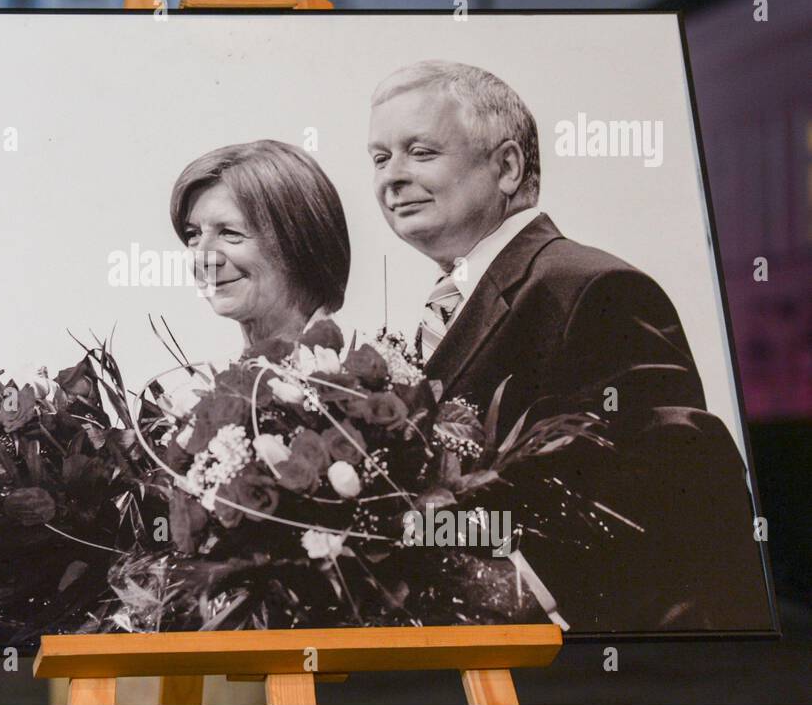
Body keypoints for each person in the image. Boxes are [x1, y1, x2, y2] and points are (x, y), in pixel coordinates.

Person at [366, 59, 771, 633]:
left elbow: (676, 477)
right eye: (380, 159)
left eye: (420, 152)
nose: (392, 177)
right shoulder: (444, 306)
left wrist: (504, 588)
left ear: (507, 167)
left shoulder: (593, 287)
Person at [170, 139, 350, 355]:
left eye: (230, 233)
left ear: (299, 241)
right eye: (193, 235)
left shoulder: (366, 383)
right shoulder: (221, 381)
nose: (203, 257)